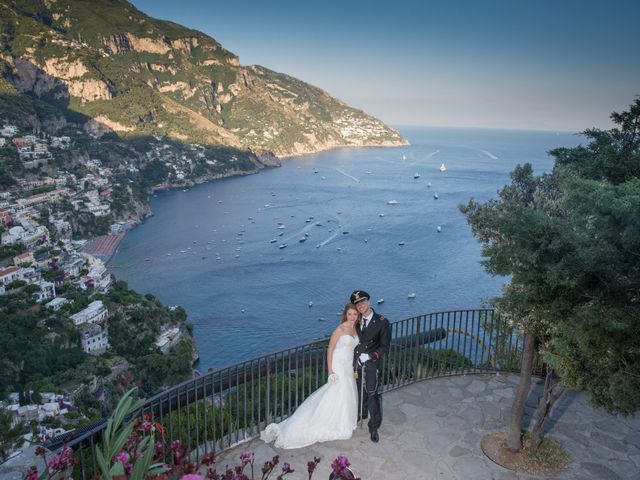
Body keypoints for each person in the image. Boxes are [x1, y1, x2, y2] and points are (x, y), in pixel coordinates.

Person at [260, 303, 361, 449]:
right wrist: (330, 371)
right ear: (346, 314)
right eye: (350, 314)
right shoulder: (340, 329)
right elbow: (331, 349)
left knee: (346, 394)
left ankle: (343, 421)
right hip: (338, 365)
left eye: (355, 314)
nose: (352, 317)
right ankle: (325, 422)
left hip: (348, 366)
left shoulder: (355, 328)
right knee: (338, 391)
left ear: (358, 316)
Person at [351, 289, 391, 443]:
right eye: (357, 303)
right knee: (359, 391)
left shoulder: (382, 322)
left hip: (371, 364)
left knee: (372, 393)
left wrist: (369, 356)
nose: (360, 305)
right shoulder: (355, 320)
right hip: (356, 364)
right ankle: (361, 414)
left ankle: (373, 427)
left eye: (363, 301)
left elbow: (385, 347)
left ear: (369, 301)